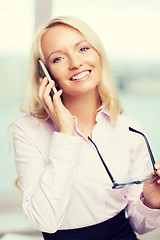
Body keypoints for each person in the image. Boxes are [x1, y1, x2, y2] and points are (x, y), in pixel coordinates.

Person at [13, 16, 160, 240]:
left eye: (83, 48)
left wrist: (150, 201)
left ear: (98, 54)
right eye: (59, 58)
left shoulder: (130, 129)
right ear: (45, 74)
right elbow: (45, 221)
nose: (75, 63)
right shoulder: (27, 130)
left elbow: (141, 226)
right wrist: (65, 134)